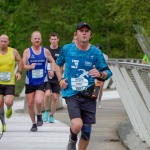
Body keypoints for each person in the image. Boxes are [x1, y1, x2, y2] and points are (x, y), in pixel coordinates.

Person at [55, 22, 112, 150]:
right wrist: (60, 80)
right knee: (76, 125)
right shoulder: (67, 49)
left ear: (90, 35)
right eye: (82, 30)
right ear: (76, 34)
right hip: (72, 93)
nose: (84, 33)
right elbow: (57, 64)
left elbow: (108, 72)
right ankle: (72, 138)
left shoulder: (96, 53)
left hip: (89, 95)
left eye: (87, 31)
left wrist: (100, 73)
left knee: (86, 131)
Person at [22, 31, 55, 132]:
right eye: (35, 38)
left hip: (42, 80)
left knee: (39, 100)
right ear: (31, 40)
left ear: (41, 40)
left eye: (38, 38)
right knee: (30, 104)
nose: (37, 40)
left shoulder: (45, 51)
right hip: (30, 82)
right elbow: (23, 65)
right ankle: (33, 123)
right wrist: (29, 66)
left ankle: (39, 115)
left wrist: (51, 70)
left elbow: (52, 61)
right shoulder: (27, 52)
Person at [0, 34, 22, 132]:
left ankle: (9, 108)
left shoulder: (13, 51)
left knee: (8, 101)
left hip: (9, 82)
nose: (3, 43)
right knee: (0, 102)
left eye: (5, 41)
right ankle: (3, 123)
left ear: (8, 42)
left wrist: (19, 72)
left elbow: (20, 60)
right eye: (1, 41)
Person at [42, 33, 61, 123]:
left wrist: (61, 75)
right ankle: (46, 111)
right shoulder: (46, 50)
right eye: (52, 39)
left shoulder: (61, 50)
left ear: (58, 40)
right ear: (49, 40)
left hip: (57, 77)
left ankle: (52, 115)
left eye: (55, 39)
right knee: (47, 94)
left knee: (55, 98)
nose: (53, 41)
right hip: (47, 76)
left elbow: (62, 64)